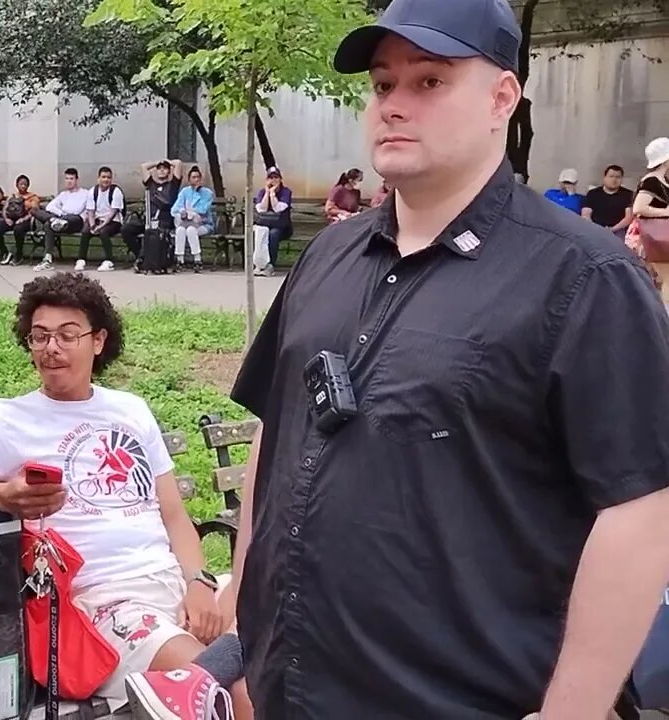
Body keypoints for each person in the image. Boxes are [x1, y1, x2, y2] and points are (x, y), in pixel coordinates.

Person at [134, 1, 669, 718]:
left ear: (501, 99)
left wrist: (573, 709)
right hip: (293, 687)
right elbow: (279, 425)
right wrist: (244, 590)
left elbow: (639, 506)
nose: (394, 105)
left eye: (429, 82)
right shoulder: (328, 254)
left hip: (465, 695)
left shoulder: (584, 279)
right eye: (384, 85)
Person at [0, 273, 233, 706]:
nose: (51, 348)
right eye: (40, 336)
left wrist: (199, 583)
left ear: (98, 341)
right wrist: (1, 498)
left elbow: (173, 515)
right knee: (217, 684)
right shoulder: (8, 421)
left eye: (68, 335)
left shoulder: (131, 410)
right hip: (106, 605)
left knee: (285, 633)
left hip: (174, 585)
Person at [123, 159, 184, 273]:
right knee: (126, 229)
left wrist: (167, 162)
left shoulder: (173, 185)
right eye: (159, 169)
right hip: (148, 219)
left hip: (163, 221)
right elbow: (144, 166)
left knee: (152, 232)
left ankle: (143, 260)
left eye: (164, 168)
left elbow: (178, 163)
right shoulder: (151, 184)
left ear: (169, 171)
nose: (161, 170)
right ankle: (142, 256)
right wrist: (157, 162)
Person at [629, 138, 669, 303]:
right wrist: (665, 211)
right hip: (653, 238)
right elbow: (638, 208)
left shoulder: (660, 180)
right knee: (665, 279)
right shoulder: (652, 181)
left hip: (659, 238)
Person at [32, 168, 90, 272]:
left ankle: (56, 222)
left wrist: (64, 214)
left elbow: (78, 210)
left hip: (75, 221)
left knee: (50, 223)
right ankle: (47, 258)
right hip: (60, 220)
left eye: (71, 178)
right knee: (36, 212)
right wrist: (59, 215)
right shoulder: (63, 194)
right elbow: (50, 207)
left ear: (77, 180)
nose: (69, 181)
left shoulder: (85, 193)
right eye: (67, 178)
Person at [77, 166, 125, 272]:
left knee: (104, 232)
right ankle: (81, 259)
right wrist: (92, 225)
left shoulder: (116, 191)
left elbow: (113, 213)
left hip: (113, 221)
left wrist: (100, 227)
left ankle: (109, 261)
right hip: (97, 219)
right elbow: (90, 211)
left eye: (108, 177)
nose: (106, 180)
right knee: (86, 231)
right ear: (98, 178)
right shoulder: (93, 191)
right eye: (103, 177)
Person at [170, 166, 214, 272]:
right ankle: (180, 260)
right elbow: (174, 209)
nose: (196, 179)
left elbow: (203, 209)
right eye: (194, 177)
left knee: (191, 230)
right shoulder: (185, 192)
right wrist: (182, 211)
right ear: (189, 180)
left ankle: (197, 260)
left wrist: (190, 211)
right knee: (180, 230)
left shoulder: (207, 193)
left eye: (198, 177)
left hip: (203, 224)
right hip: (185, 223)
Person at [0, 174, 41, 266]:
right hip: (11, 219)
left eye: (25, 184)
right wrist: (6, 219)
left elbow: (35, 211)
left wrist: (23, 219)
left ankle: (19, 254)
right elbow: (5, 208)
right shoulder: (12, 196)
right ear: (17, 185)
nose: (23, 186)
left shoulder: (32, 197)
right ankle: (4, 252)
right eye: (21, 184)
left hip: (26, 221)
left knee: (18, 229)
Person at [253, 167, 294, 278]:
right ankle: (260, 263)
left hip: (282, 227)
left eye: (276, 177)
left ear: (280, 179)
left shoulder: (286, 192)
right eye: (270, 178)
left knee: (273, 234)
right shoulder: (262, 192)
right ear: (266, 180)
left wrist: (272, 194)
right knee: (261, 232)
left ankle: (270, 264)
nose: (273, 180)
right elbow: (261, 209)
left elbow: (278, 208)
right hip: (266, 224)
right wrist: (267, 193)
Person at [581, 164, 634, 238]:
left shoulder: (628, 194)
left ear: (621, 179)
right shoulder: (593, 193)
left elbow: (628, 217)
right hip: (595, 229)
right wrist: (595, 228)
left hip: (618, 231)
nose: (614, 180)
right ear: (605, 178)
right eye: (611, 176)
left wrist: (612, 229)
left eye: (618, 177)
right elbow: (585, 214)